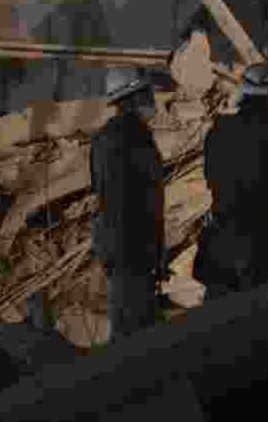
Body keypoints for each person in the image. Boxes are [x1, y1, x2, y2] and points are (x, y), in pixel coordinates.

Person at [194, 52, 268, 300]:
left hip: (219, 245)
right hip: (258, 250)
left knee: (217, 317)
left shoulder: (218, 132)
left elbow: (211, 179)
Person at [90, 67, 172, 342]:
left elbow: (100, 193)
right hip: (135, 247)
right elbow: (151, 198)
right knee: (136, 331)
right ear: (136, 97)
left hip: (112, 245)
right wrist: (158, 252)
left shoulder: (101, 138)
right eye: (148, 92)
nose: (152, 97)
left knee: (126, 321)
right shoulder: (137, 135)